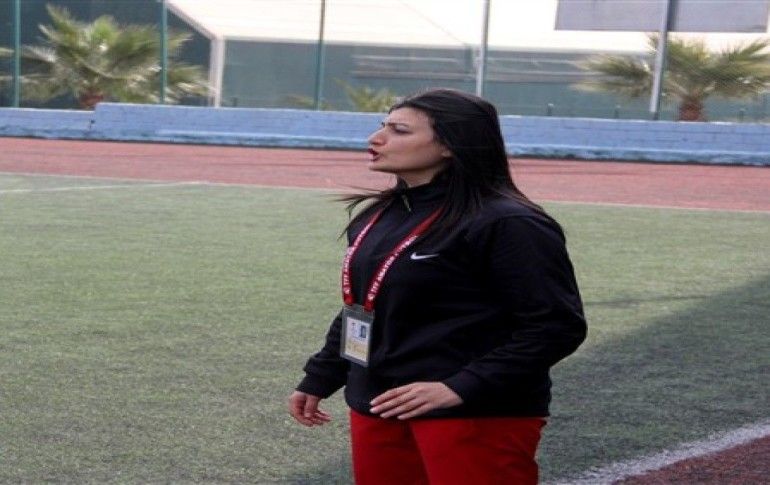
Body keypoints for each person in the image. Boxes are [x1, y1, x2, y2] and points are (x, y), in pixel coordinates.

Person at [288, 88, 586, 485]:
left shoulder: (508, 222)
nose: (376, 139)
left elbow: (555, 326)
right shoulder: (378, 215)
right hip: (378, 405)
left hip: (473, 414)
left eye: (399, 131)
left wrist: (459, 387)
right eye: (383, 127)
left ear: (449, 144)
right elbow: (364, 305)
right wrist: (323, 374)